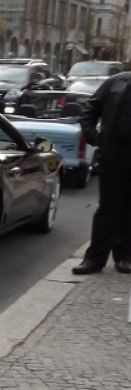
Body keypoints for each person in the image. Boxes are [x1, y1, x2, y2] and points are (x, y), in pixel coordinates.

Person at [72, 71, 131, 275]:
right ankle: (94, 260)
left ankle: (125, 256)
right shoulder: (116, 82)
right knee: (107, 209)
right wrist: (93, 136)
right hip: (114, 153)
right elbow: (91, 108)